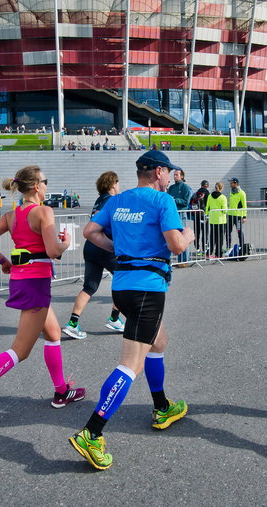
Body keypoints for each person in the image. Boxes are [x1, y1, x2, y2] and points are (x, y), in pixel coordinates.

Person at [68, 149, 194, 470]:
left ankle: (162, 405)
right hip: (147, 289)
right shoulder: (162, 201)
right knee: (130, 365)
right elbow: (176, 245)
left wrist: (120, 250)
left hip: (122, 287)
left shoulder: (116, 201)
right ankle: (92, 431)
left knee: (159, 340)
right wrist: (189, 234)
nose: (169, 177)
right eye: (167, 172)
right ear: (156, 172)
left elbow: (89, 232)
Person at [0, 165, 83, 433]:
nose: (46, 185)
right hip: (36, 283)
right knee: (20, 350)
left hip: (21, 278)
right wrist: (65, 243)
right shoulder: (43, 211)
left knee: (54, 333)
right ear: (35, 186)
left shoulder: (11, 215)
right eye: (45, 181)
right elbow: (54, 251)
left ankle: (61, 391)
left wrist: (3, 261)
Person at [63, 171, 125, 340]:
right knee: (124, 279)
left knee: (89, 287)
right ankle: (114, 318)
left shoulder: (99, 200)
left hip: (90, 246)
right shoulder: (113, 200)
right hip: (104, 244)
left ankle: (72, 323)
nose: (119, 186)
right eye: (118, 182)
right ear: (113, 184)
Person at [167, 169, 193, 263]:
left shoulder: (186, 188)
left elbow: (186, 202)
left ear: (182, 176)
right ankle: (179, 260)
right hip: (173, 214)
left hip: (181, 214)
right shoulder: (171, 188)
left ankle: (185, 260)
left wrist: (175, 200)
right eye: (174, 175)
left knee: (183, 236)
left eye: (177, 175)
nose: (175, 176)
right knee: (174, 236)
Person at [204, 181, 228, 258]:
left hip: (212, 219)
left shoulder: (210, 196)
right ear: (222, 188)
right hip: (221, 220)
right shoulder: (223, 197)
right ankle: (218, 254)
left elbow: (207, 207)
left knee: (212, 237)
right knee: (220, 238)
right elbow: (224, 210)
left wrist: (207, 215)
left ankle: (208, 253)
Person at [227, 177, 247, 252]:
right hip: (230, 215)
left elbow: (244, 205)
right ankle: (228, 247)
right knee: (228, 232)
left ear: (236, 183)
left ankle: (242, 247)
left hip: (238, 216)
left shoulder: (242, 193)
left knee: (239, 232)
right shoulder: (231, 192)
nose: (230, 184)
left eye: (231, 183)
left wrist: (244, 216)